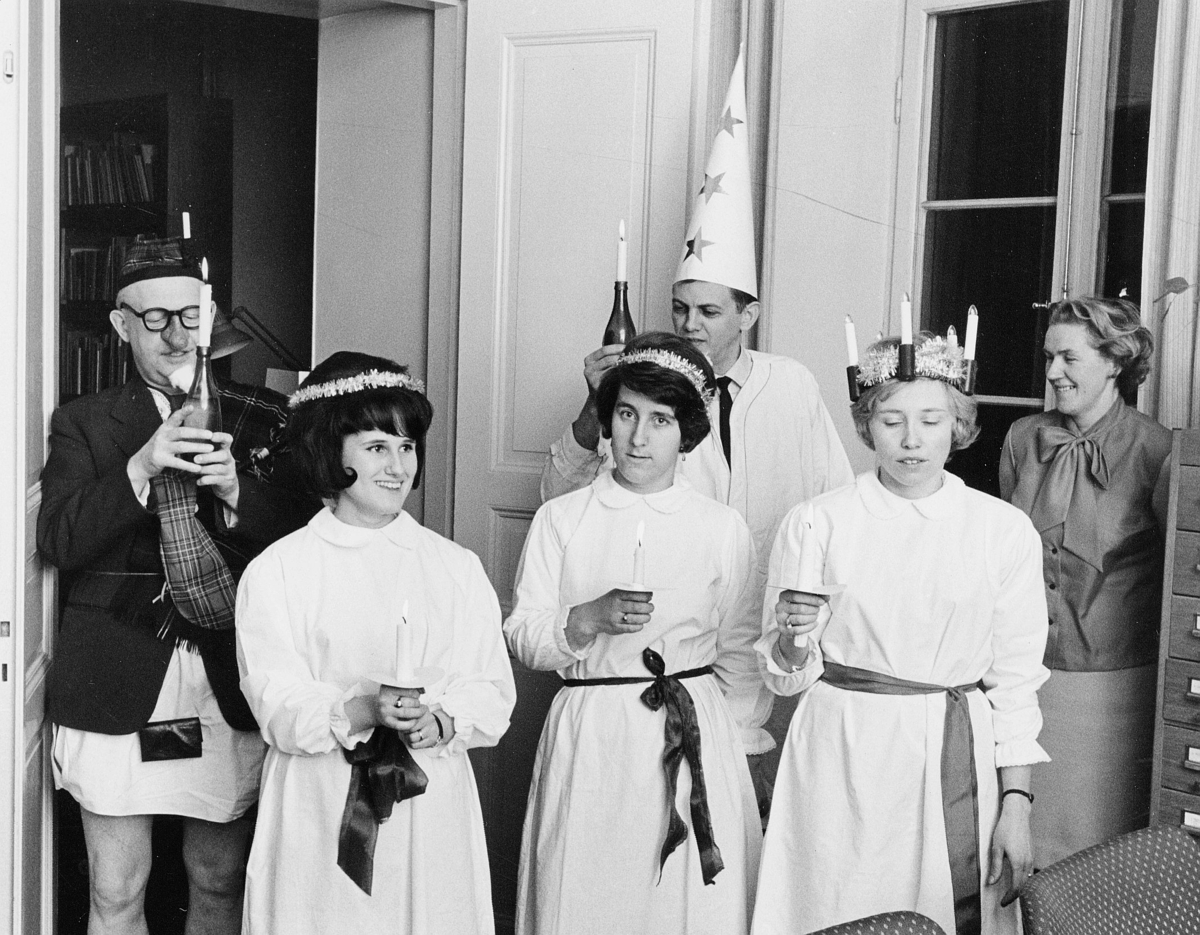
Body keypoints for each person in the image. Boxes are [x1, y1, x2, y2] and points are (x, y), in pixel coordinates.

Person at [38, 235, 316, 935]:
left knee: (219, 881)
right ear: (120, 324)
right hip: (116, 674)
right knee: (115, 892)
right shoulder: (82, 421)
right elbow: (59, 540)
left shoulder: (263, 412)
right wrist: (138, 468)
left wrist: (235, 492)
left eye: (190, 317)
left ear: (210, 316)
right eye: (154, 318)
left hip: (224, 672)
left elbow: (313, 543)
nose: (176, 336)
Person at [751, 335, 1050, 935]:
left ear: (958, 425)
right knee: (839, 903)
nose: (912, 440)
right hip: (842, 752)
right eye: (892, 421)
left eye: (930, 420)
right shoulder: (817, 522)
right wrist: (791, 639)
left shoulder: (1002, 530)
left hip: (950, 752)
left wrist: (1016, 804)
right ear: (867, 426)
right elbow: (783, 675)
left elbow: (1016, 683)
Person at [235, 351, 516, 934]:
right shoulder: (280, 570)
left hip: (427, 803)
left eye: (407, 447)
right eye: (376, 447)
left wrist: (441, 721)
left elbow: (491, 687)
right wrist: (364, 708)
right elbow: (274, 699)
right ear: (330, 452)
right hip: (320, 800)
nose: (397, 466)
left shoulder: (454, 567)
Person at [507, 333, 769, 935]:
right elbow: (523, 634)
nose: (639, 438)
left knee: (685, 903)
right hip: (594, 733)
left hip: (694, 729)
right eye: (626, 414)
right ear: (607, 419)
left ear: (687, 433)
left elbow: (739, 649)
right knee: (589, 891)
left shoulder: (721, 528)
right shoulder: (562, 518)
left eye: (660, 420)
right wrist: (583, 621)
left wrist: (734, 748)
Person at [999, 296, 1170, 868]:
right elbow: (1005, 558)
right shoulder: (1022, 438)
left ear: (1115, 361)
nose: (1052, 373)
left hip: (1115, 691)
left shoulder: (1159, 451)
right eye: (1049, 357)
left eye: (1069, 358)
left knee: (1098, 858)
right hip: (1024, 680)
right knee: (1017, 845)